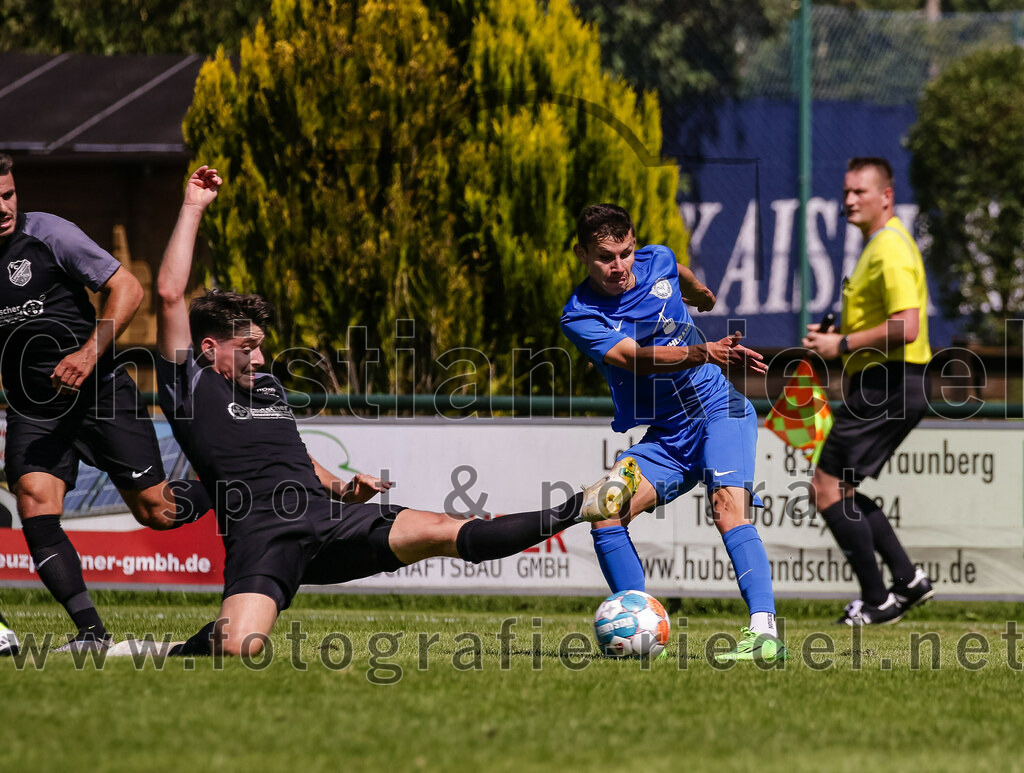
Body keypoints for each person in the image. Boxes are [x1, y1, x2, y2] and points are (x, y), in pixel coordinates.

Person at [114, 165, 598, 658]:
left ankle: (577, 507)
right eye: (247, 348)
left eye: (262, 346)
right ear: (209, 346)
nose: (259, 358)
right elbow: (170, 293)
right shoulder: (188, 382)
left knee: (443, 530)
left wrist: (344, 489)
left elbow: (296, 455)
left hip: (325, 520)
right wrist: (193, 206)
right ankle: (165, 650)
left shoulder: (267, 385)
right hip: (262, 534)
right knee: (240, 646)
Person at [0, 153, 213, 652]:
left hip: (99, 390)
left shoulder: (49, 234)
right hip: (34, 407)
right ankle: (90, 632)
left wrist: (87, 352)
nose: (3, 206)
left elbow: (128, 287)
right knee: (33, 501)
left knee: (157, 511)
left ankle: (232, 487)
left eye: (7, 194)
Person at [561, 203, 788, 663]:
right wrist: (702, 351)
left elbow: (673, 266)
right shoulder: (580, 315)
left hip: (720, 409)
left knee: (727, 508)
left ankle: (765, 635)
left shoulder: (654, 259)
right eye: (606, 257)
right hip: (668, 434)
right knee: (605, 511)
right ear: (582, 254)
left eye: (625, 252)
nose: (619, 267)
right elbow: (633, 358)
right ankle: (640, 629)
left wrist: (700, 292)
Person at [802, 157, 934, 626]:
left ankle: (878, 601)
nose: (850, 200)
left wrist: (840, 343)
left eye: (860, 191)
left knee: (826, 488)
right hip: (890, 382)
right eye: (846, 192)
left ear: (886, 197)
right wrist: (838, 334)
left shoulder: (891, 248)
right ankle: (907, 580)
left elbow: (907, 325)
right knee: (841, 487)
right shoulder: (877, 245)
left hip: (893, 382)